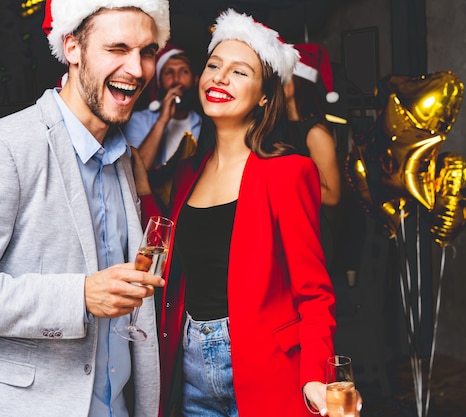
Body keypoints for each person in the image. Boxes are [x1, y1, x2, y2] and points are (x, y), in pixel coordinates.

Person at [0, 0, 170, 416]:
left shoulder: (122, 157)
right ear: (72, 47)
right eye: (118, 49)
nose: (138, 69)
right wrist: (79, 296)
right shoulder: (4, 149)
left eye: (146, 52)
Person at [139, 9, 363, 417]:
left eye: (240, 72)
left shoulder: (289, 171)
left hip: (266, 369)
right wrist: (139, 183)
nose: (219, 77)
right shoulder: (188, 171)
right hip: (187, 369)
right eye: (213, 65)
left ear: (264, 95)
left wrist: (314, 375)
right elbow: (165, 252)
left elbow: (313, 293)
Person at [123, 43, 203, 212]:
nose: (176, 79)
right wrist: (163, 120)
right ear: (159, 82)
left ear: (196, 80)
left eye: (184, 71)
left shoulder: (206, 125)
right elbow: (135, 174)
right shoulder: (138, 120)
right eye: (169, 72)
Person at [285, 43, 341, 206]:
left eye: (283, 77)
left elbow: (332, 196)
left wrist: (281, 181)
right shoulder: (278, 126)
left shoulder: (316, 133)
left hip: (305, 224)